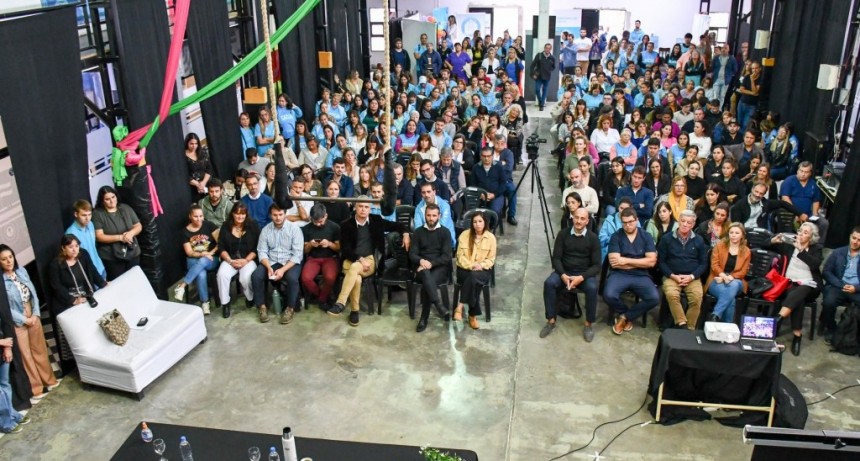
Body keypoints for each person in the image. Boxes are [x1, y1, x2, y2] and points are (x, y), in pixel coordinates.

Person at [327, 197, 411, 327]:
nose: (363, 209)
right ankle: (354, 311)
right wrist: (360, 259)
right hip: (351, 260)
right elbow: (346, 250)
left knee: (355, 269)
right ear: (355, 207)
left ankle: (341, 302)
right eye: (360, 206)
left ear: (370, 209)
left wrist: (405, 234)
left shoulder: (376, 221)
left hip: (370, 260)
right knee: (356, 277)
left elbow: (397, 225)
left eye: (366, 207)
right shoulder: (346, 224)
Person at [1, 245, 58, 400]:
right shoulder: (2, 281)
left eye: (10, 257)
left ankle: (49, 380)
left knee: (40, 349)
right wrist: (24, 319)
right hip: (17, 320)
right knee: (26, 355)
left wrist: (36, 314)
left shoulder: (21, 271)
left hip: (32, 312)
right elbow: (5, 308)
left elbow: (33, 293)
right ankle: (36, 388)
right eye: (4, 259)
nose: (9, 261)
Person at [540, 208, 601, 342]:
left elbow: (597, 265)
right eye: (576, 217)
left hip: (583, 274)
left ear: (587, 221)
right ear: (572, 218)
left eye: (582, 218)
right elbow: (556, 258)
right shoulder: (563, 234)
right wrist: (563, 275)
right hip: (565, 272)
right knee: (549, 283)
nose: (579, 221)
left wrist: (581, 277)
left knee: (592, 288)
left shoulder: (593, 238)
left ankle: (588, 324)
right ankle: (551, 320)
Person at [603, 208, 659, 334]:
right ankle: (625, 313)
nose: (627, 225)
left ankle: (624, 317)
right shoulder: (616, 236)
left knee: (654, 298)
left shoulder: (646, 236)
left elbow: (651, 262)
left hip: (641, 275)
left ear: (636, 220)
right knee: (608, 294)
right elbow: (614, 262)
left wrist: (624, 260)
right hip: (619, 273)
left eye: (630, 222)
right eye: (624, 222)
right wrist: (640, 262)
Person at [770, 222, 823, 356]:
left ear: (811, 237)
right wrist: (773, 240)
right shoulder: (789, 245)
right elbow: (764, 244)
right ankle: (797, 336)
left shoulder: (816, 248)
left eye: (806, 232)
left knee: (803, 289)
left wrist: (800, 250)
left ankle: (778, 319)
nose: (801, 234)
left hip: (810, 285)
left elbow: (815, 264)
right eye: (800, 231)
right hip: (790, 283)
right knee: (798, 297)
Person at [252, 204, 304, 325]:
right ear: (270, 215)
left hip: (290, 262)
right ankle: (262, 307)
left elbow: (297, 255)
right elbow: (262, 251)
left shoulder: (294, 229)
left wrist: (283, 270)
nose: (278, 218)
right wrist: (268, 267)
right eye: (275, 215)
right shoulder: (265, 230)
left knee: (292, 278)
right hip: (271, 261)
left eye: (280, 214)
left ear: (285, 214)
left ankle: (290, 308)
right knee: (256, 276)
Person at [658, 210, 709, 329]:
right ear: (678, 221)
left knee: (697, 298)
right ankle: (682, 325)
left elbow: (703, 263)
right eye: (683, 221)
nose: (685, 224)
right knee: (672, 295)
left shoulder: (699, 240)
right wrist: (672, 275)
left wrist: (691, 276)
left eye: (689, 222)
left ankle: (689, 329)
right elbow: (661, 262)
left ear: (693, 224)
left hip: (692, 277)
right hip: (672, 276)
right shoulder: (666, 239)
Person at [410, 204, 453, 333]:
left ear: (439, 216)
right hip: (421, 267)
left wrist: (431, 263)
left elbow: (446, 256)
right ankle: (438, 305)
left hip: (439, 268)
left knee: (428, 283)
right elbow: (412, 254)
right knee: (425, 275)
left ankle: (424, 317)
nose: (431, 218)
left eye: (434, 215)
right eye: (428, 215)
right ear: (425, 216)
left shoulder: (445, 232)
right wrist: (421, 261)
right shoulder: (418, 232)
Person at [173, 205, 219, 314]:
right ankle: (205, 303)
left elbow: (221, 243)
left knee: (203, 261)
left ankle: (182, 285)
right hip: (193, 259)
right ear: (190, 216)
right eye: (196, 216)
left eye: (201, 216)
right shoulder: (185, 232)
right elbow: (189, 252)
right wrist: (201, 254)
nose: (199, 219)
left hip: (211, 259)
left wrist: (210, 253)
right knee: (201, 273)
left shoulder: (209, 225)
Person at [216, 202, 260, 318]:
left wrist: (246, 260)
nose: (240, 216)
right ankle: (225, 304)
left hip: (248, 259)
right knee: (221, 275)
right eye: (237, 213)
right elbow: (221, 247)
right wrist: (230, 261)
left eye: (243, 214)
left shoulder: (253, 225)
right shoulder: (226, 226)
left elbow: (257, 247)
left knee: (244, 278)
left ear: (246, 214)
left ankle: (250, 297)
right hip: (230, 259)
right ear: (232, 214)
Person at [47, 234, 107, 316]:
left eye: (77, 246)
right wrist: (73, 300)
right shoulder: (55, 265)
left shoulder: (83, 254)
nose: (74, 250)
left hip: (85, 296)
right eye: (70, 247)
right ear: (63, 248)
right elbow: (57, 287)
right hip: (66, 302)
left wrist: (103, 283)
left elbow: (92, 270)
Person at [92, 186, 142, 280]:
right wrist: (120, 238)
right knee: (119, 283)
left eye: (113, 197)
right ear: (102, 201)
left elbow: (138, 226)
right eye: (107, 199)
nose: (112, 201)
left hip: (132, 253)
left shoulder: (126, 208)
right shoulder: (97, 214)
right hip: (112, 258)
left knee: (135, 280)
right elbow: (99, 236)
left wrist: (131, 233)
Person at [820, 226, 860, 341]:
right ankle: (831, 328)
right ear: (850, 237)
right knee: (828, 302)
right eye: (854, 238)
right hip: (839, 286)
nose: (855, 242)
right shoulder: (838, 252)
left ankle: (855, 333)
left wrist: (856, 288)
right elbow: (826, 271)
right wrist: (840, 285)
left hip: (856, 289)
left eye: (859, 240)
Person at [705, 223, 750, 323]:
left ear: (742, 235)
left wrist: (729, 277)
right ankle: (727, 326)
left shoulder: (746, 251)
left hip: (736, 281)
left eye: (737, 233)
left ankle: (716, 314)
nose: (733, 235)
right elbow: (714, 265)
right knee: (730, 299)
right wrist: (723, 276)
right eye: (731, 232)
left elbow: (743, 271)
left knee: (734, 284)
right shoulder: (719, 246)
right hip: (716, 279)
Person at [300, 204, 341, 312]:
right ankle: (323, 297)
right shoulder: (306, 229)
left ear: (326, 216)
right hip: (313, 258)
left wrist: (329, 244)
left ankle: (322, 298)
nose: (318, 224)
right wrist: (310, 244)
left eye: (320, 221)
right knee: (306, 278)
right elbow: (304, 251)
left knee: (330, 278)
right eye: (315, 221)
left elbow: (338, 248)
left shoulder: (334, 227)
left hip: (330, 257)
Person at [780, 161, 829, 244]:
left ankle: (817, 246)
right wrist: (797, 213)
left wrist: (815, 215)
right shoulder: (789, 181)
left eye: (806, 172)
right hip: (791, 212)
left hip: (808, 214)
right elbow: (785, 198)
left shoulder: (813, 184)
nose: (803, 174)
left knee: (824, 223)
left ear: (810, 173)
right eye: (801, 171)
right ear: (797, 171)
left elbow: (816, 201)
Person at [730, 180, 803, 229]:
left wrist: (800, 214)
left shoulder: (766, 203)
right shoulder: (740, 205)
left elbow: (782, 203)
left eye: (761, 193)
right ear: (752, 189)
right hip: (744, 232)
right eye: (756, 191)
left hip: (760, 233)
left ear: (764, 195)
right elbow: (736, 225)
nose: (757, 195)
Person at [65, 199, 107, 280]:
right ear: (76, 214)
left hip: (100, 268)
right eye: (84, 215)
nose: (87, 218)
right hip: (88, 274)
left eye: (89, 214)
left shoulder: (90, 224)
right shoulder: (70, 233)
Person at [413, 182, 456, 247]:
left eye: (428, 192)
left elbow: (442, 226)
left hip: (444, 240)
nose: (426, 195)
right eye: (423, 192)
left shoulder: (445, 206)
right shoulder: (419, 208)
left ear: (434, 192)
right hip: (425, 239)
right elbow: (417, 227)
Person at [471, 146, 507, 216]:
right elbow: (473, 183)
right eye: (484, 156)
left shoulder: (498, 167)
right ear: (481, 157)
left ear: (492, 156)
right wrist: (480, 194)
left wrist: (494, 195)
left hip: (496, 195)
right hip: (480, 195)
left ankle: (494, 223)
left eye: (488, 156)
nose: (486, 158)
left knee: (494, 211)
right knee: (474, 211)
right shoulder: (476, 167)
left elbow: (503, 184)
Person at [184, 133, 214, 200]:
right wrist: (197, 184)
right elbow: (184, 174)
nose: (194, 146)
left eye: (196, 143)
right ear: (187, 143)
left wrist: (203, 183)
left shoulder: (203, 152)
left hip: (206, 184)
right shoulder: (183, 156)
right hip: (192, 188)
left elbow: (209, 169)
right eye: (191, 144)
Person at [736, 60, 761, 131]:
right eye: (753, 68)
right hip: (742, 103)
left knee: (745, 125)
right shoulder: (747, 77)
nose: (754, 70)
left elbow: (755, 90)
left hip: (752, 106)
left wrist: (752, 80)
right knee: (739, 122)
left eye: (756, 68)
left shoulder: (760, 79)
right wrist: (752, 93)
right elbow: (742, 89)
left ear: (760, 69)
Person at [531, 43, 555, 110]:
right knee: (537, 89)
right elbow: (533, 65)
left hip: (547, 76)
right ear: (544, 48)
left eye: (549, 48)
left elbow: (553, 67)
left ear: (550, 49)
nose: (547, 49)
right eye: (546, 48)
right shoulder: (539, 55)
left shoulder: (552, 58)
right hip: (539, 76)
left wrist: (549, 70)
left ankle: (541, 105)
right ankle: (540, 101)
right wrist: (533, 74)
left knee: (545, 90)